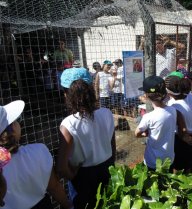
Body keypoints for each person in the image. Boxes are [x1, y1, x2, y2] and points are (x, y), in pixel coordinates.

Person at [57, 67, 116, 209]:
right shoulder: (107, 113)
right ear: (90, 89)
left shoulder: (69, 123)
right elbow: (113, 147)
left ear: (66, 94)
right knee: (107, 203)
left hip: (83, 176)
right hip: (107, 168)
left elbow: (61, 168)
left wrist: (73, 176)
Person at [0, 100, 72, 209]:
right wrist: (69, 206)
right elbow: (54, 187)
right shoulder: (38, 152)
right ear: (12, 129)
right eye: (16, 120)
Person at [135, 75, 177, 171]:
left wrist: (145, 133)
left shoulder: (148, 117)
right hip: (168, 158)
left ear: (146, 95)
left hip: (153, 161)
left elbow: (137, 133)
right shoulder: (173, 110)